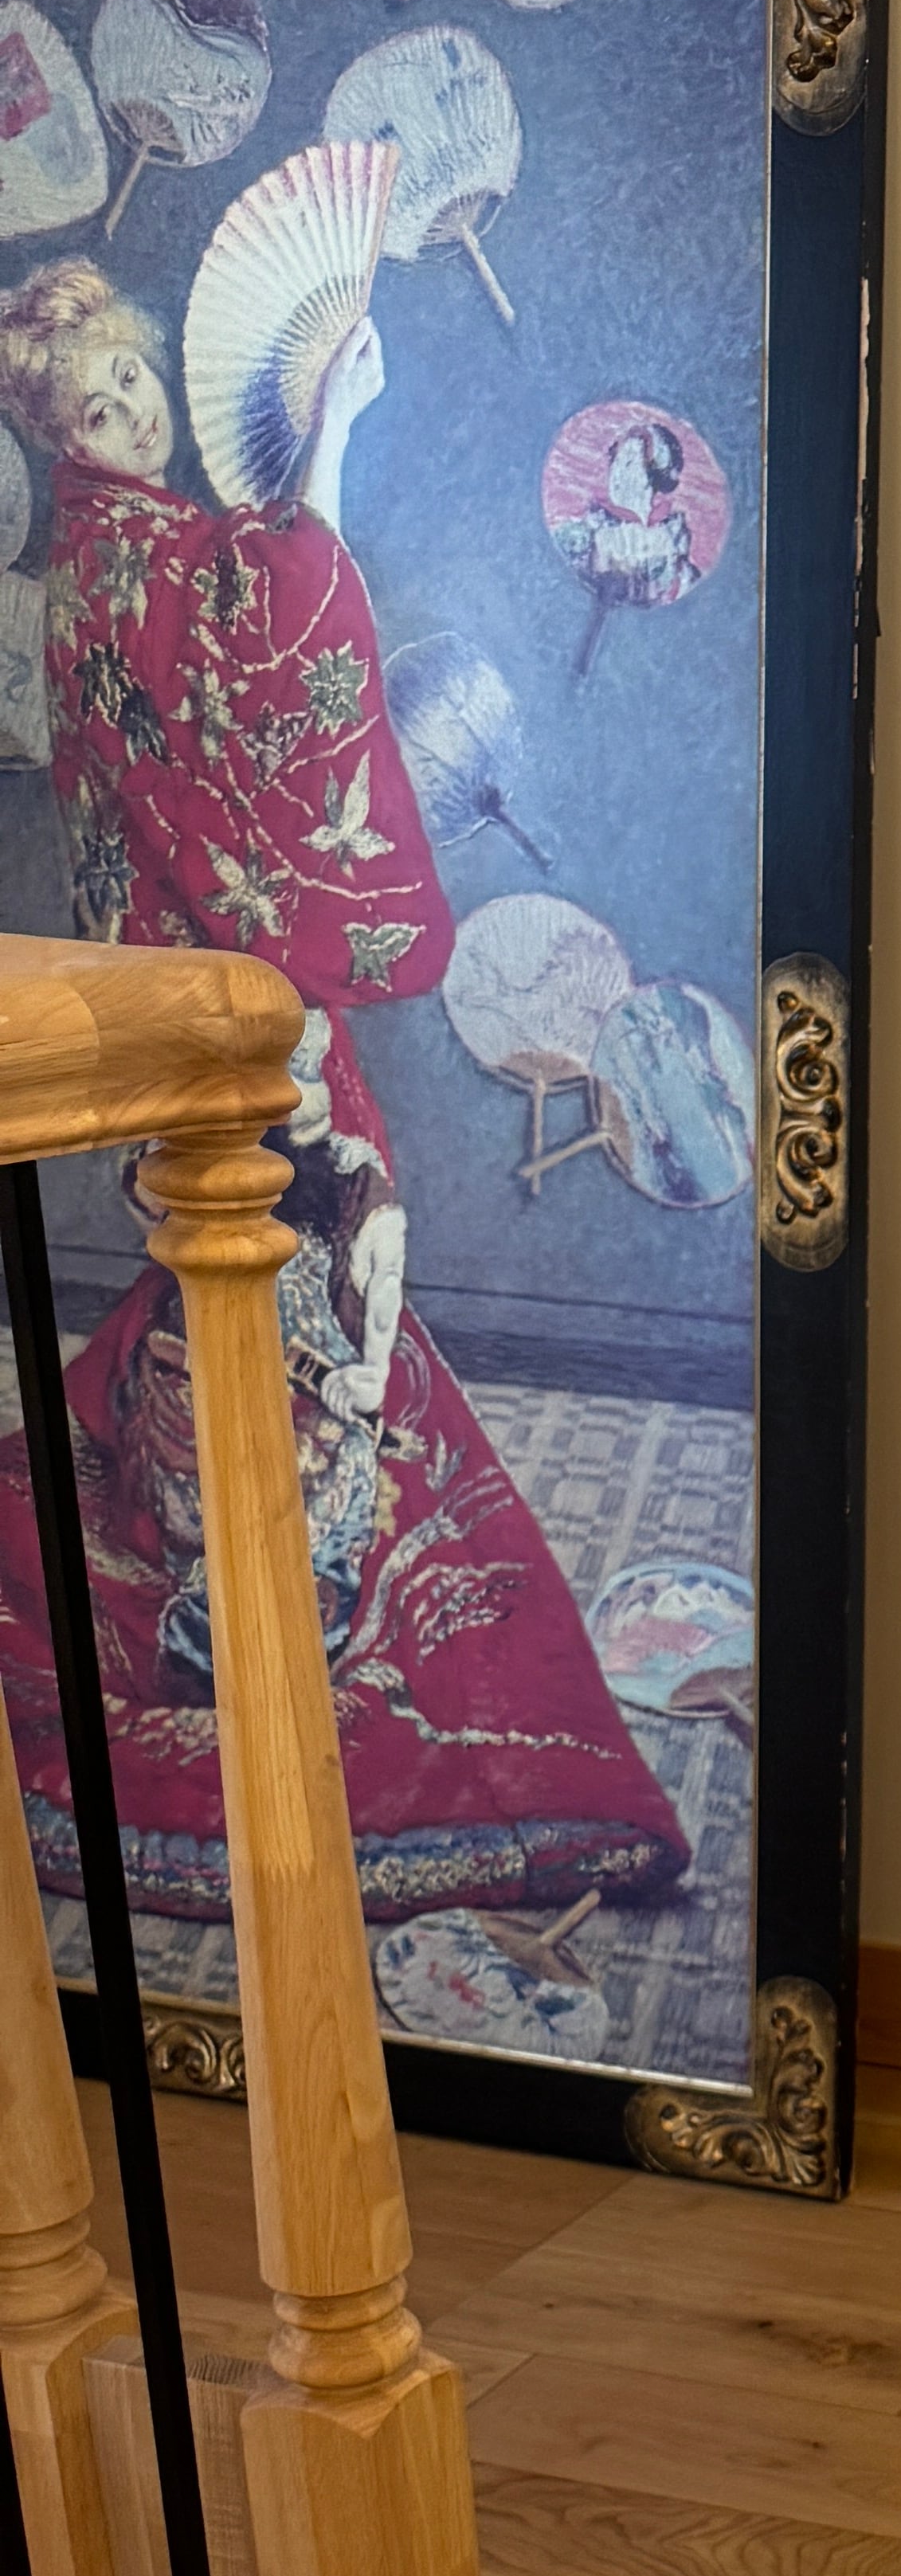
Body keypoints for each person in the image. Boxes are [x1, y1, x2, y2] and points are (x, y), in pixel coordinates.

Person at [0, 254, 688, 1930]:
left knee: (255, 1251)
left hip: (174, 970)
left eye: (131, 378)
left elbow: (234, 655)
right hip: (223, 993)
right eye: (88, 402)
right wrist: (339, 434)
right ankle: (263, 1579)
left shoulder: (95, 563)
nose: (126, 411)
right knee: (318, 1232)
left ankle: (213, 1538)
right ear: (48, 432)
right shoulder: (131, 555)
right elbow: (276, 629)